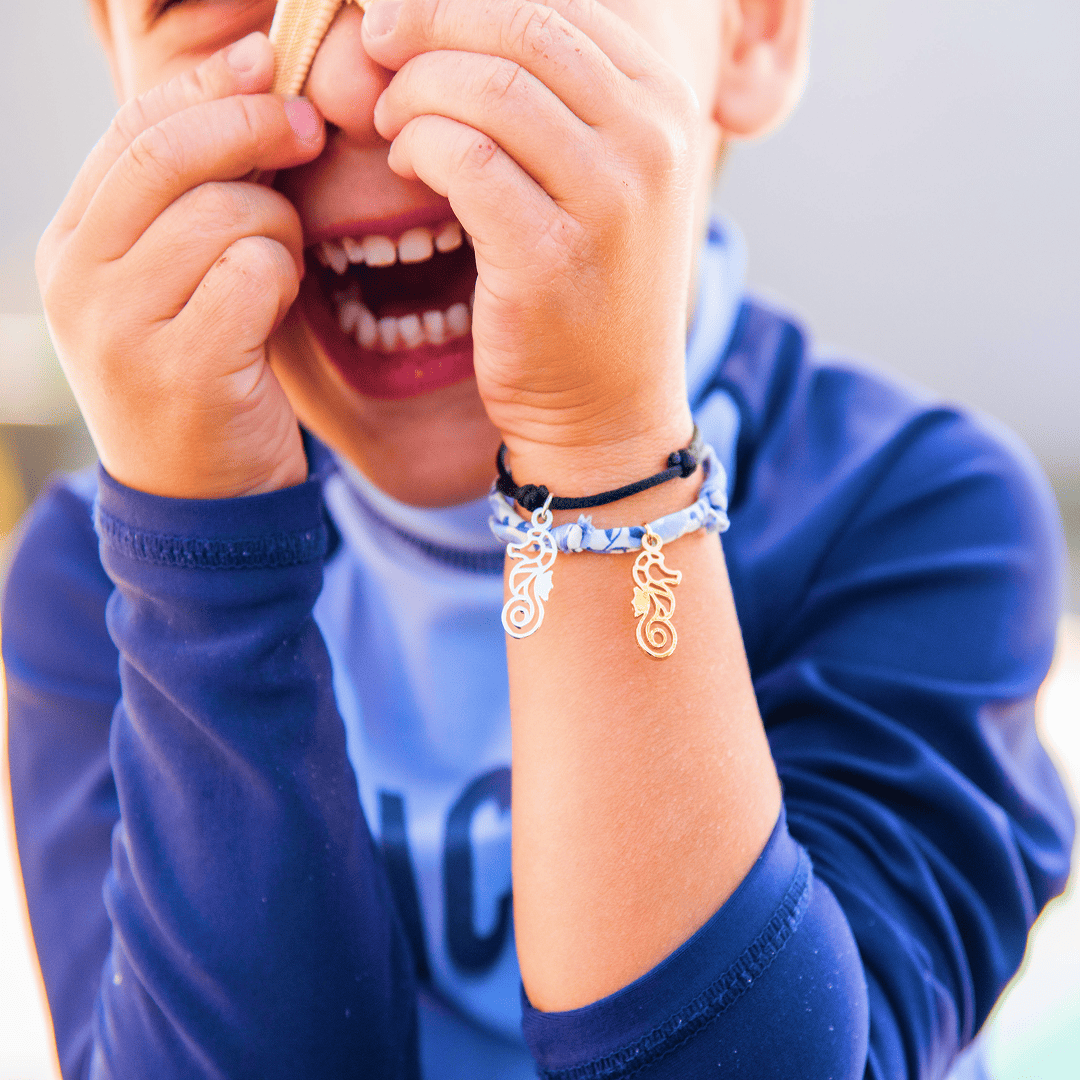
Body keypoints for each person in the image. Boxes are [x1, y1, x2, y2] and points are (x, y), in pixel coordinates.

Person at [2, 0, 1073, 1076]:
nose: (345, 86)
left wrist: (602, 449)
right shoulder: (92, 591)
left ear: (751, 28)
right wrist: (203, 571)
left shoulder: (921, 525)